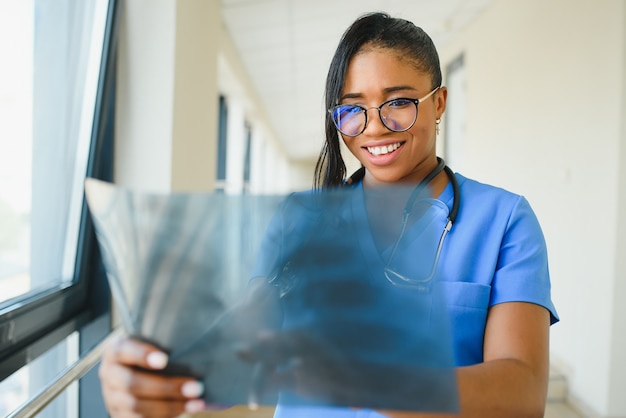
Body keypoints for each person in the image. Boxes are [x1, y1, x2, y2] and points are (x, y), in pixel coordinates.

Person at [98, 12, 558, 418]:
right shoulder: (300, 217)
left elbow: (522, 392)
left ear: (438, 103)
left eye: (398, 102)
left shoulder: (503, 220)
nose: (374, 126)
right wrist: (161, 367)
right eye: (352, 109)